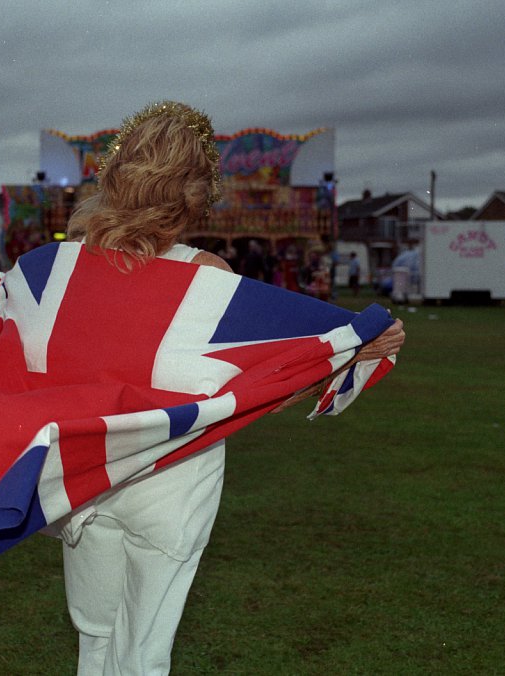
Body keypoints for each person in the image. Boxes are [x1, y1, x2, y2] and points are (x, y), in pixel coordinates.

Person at [54, 101, 405, 675]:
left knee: (94, 637)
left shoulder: (67, 268)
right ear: (196, 194)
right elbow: (257, 387)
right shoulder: (207, 275)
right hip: (172, 482)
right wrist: (352, 352)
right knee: (141, 651)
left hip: (91, 475)